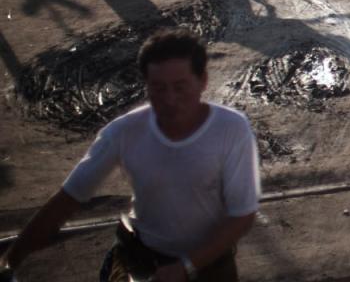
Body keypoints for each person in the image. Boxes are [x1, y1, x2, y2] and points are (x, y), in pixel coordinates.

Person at [0, 29, 260, 282]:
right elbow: (67, 200)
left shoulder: (231, 129)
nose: (170, 99)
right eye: (158, 88)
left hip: (210, 267)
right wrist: (10, 261)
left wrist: (186, 267)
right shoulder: (123, 132)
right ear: (146, 85)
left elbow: (242, 214)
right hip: (144, 263)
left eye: (180, 87)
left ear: (203, 81)